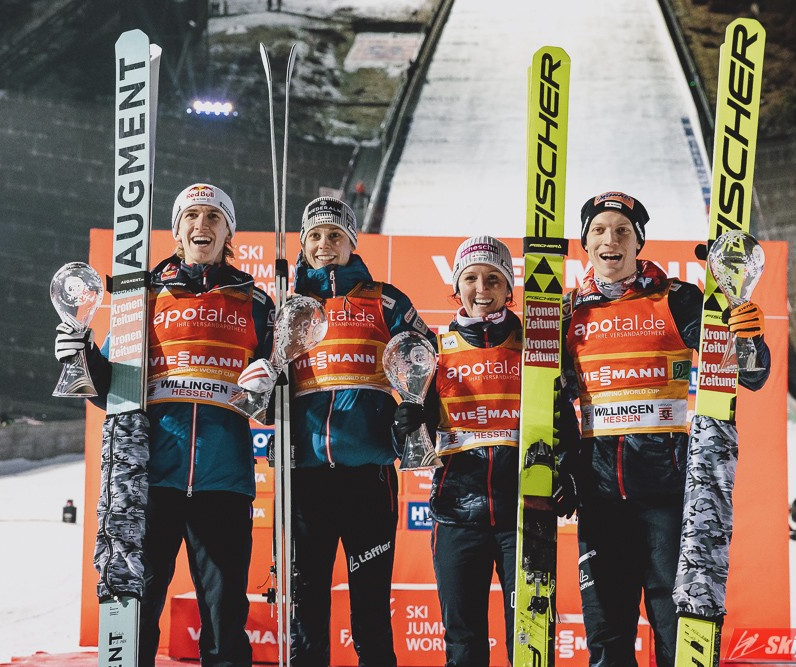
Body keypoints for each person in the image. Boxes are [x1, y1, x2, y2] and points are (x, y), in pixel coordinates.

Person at [54, 183, 275, 667]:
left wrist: (268, 387)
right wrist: (81, 354)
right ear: (176, 230)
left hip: (225, 482)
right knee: (138, 611)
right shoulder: (144, 294)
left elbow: (274, 403)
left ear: (229, 232)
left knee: (224, 620)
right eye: (191, 216)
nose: (202, 225)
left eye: (214, 217)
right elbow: (111, 392)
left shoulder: (257, 302)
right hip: (151, 480)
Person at [558, 191, 771, 667]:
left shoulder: (676, 298)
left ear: (639, 242)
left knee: (674, 629)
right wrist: (563, 467)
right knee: (607, 636)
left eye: (622, 231)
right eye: (599, 231)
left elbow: (749, 375)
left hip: (666, 496)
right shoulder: (569, 312)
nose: (611, 240)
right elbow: (552, 400)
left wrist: (748, 334)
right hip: (600, 498)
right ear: (584, 243)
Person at [393, 236, 574, 666]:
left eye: (493, 279)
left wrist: (568, 472)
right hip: (457, 513)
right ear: (456, 286)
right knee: (463, 640)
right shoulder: (434, 351)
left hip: (525, 513)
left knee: (530, 637)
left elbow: (562, 419)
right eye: (471, 278)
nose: (482, 289)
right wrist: (404, 425)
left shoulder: (535, 346)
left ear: (509, 287)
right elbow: (412, 447)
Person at [288, 196, 430, 667]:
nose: (324, 245)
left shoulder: (384, 299)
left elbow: (426, 358)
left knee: (370, 605)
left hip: (369, 476)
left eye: (335, 235)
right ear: (303, 245)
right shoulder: (292, 308)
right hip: (306, 477)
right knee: (307, 605)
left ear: (352, 242)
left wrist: (413, 408)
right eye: (314, 236)